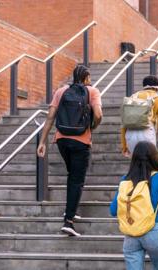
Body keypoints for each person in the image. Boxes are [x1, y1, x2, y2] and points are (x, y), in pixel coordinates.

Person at [37, 65, 103, 236]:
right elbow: (98, 115)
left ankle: (70, 210)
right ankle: (69, 222)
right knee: (76, 179)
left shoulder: (61, 91)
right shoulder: (92, 92)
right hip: (81, 141)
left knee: (72, 175)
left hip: (62, 140)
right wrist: (92, 127)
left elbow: (50, 116)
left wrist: (42, 142)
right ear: (86, 78)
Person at [110, 141, 158, 270]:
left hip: (131, 234)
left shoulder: (125, 180)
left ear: (134, 158)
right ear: (154, 157)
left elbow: (113, 211)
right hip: (154, 231)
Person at [120, 75, 158, 163]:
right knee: (148, 166)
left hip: (130, 134)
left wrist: (124, 146)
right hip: (147, 134)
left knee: (135, 166)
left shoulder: (132, 97)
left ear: (144, 87)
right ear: (157, 88)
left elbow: (124, 123)